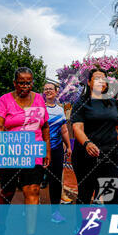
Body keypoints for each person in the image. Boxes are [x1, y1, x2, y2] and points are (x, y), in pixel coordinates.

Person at [70, 69, 118, 235]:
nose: (101, 82)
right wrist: (87, 143)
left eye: (104, 79)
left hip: (110, 154)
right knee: (85, 193)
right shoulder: (82, 103)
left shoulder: (113, 103)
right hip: (86, 156)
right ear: (89, 82)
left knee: (110, 194)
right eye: (97, 79)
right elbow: (77, 127)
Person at [0, 68, 51, 235]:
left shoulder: (39, 99)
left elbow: (45, 126)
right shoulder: (5, 100)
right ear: (15, 83)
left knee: (32, 190)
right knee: (8, 191)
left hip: (33, 151)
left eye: (28, 82)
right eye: (21, 82)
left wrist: (47, 150)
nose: (25, 85)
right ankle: (1, 226)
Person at [42, 82, 72, 224]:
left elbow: (64, 129)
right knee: (34, 180)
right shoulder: (38, 108)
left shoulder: (60, 110)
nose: (48, 91)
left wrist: (68, 146)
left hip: (56, 149)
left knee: (56, 180)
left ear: (56, 92)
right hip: (40, 149)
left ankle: (55, 212)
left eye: (50, 89)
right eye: (46, 89)